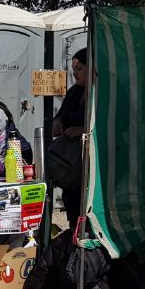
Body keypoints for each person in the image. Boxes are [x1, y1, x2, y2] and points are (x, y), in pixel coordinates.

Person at [50, 48, 88, 225]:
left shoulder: (102, 93)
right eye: (73, 69)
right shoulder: (74, 92)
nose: (75, 74)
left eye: (79, 69)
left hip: (89, 162)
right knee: (71, 198)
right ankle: (74, 233)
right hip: (70, 163)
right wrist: (57, 122)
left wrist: (82, 130)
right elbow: (61, 115)